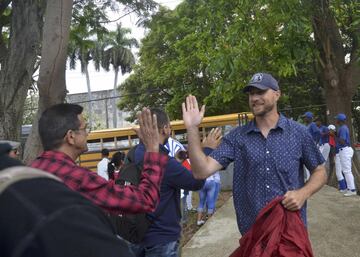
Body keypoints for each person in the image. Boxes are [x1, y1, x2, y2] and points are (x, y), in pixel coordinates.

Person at [182, 72, 327, 236]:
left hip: (290, 231)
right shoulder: (237, 137)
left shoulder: (299, 133)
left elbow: (320, 171)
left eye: (260, 92)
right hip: (253, 234)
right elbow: (201, 171)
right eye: (251, 93)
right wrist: (192, 128)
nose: (254, 98)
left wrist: (303, 193)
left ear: (277, 94)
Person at [30, 104, 168, 215]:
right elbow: (146, 200)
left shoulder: (30, 170)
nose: (87, 133)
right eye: (84, 129)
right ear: (71, 136)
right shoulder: (78, 178)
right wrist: (152, 149)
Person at [0, 151, 134, 257]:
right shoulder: (74, 180)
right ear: (70, 136)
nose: (16, 154)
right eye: (83, 129)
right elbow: (141, 200)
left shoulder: (35, 171)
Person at [129, 108, 218, 257]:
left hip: (136, 236)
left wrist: (177, 161)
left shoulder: (133, 154)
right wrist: (207, 151)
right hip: (162, 239)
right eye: (169, 126)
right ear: (165, 129)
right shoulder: (164, 163)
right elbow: (196, 182)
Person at [335, 113, 356, 196]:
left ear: (340, 120)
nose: (336, 120)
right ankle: (349, 188)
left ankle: (352, 190)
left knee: (347, 171)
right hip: (344, 150)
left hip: (345, 150)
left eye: (337, 119)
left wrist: (335, 136)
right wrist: (336, 134)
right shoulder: (342, 128)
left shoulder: (343, 128)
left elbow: (342, 141)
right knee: (345, 171)